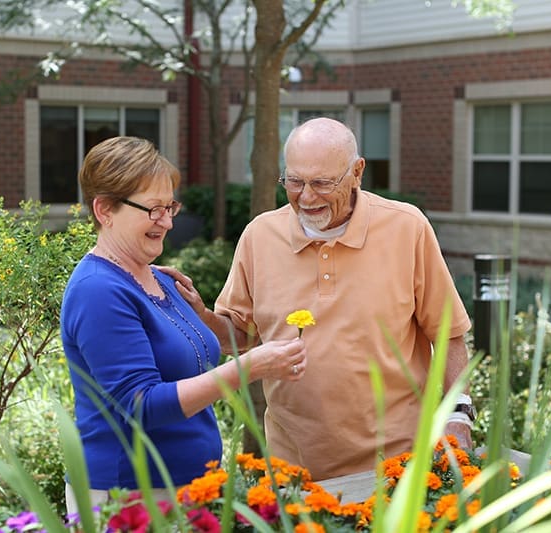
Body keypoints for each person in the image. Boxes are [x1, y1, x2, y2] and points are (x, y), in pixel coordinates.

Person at [167, 117, 473, 482]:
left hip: (396, 466)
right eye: (294, 182)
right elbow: (240, 337)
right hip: (295, 469)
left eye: (322, 183)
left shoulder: (407, 228)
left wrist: (458, 414)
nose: (306, 197)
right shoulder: (260, 236)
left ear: (357, 172)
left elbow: (448, 332)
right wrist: (201, 314)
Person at [60, 136, 307, 514]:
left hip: (186, 488)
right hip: (128, 496)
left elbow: (194, 355)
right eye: (153, 209)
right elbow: (141, 404)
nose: (168, 221)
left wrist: (203, 316)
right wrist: (250, 368)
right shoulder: (99, 290)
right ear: (104, 209)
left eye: (170, 206)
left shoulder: (158, 278)